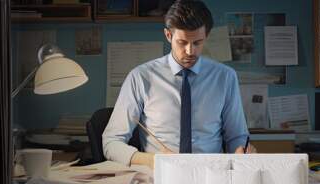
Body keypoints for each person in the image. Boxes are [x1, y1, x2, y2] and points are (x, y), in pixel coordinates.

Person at [103, 0, 250, 169]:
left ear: (206, 36)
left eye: (197, 43)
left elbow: (237, 137)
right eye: (182, 42)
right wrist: (153, 160)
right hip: (158, 176)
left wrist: (241, 150)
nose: (190, 51)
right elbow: (111, 143)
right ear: (168, 36)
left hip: (211, 176)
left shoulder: (225, 77)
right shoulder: (141, 77)